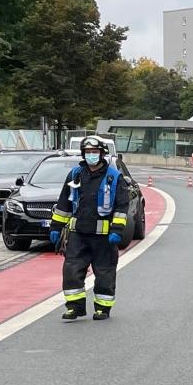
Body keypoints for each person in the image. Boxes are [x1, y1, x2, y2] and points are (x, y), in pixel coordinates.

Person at [50, 137, 130, 321]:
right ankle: (75, 307)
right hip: (78, 235)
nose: (91, 155)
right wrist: (56, 226)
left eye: (95, 152)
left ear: (102, 154)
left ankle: (102, 308)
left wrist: (117, 231)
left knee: (104, 272)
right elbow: (64, 203)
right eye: (88, 152)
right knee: (71, 271)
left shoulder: (113, 177)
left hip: (104, 237)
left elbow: (121, 206)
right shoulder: (75, 175)